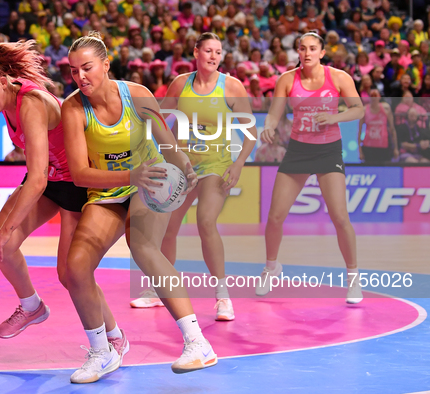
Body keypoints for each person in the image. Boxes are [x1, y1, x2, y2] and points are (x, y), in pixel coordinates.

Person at [62, 31, 217, 384]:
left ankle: (198, 343)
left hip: (149, 182)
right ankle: (104, 351)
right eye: (73, 71)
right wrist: (130, 173)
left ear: (105, 64)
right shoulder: (73, 108)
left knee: (143, 247)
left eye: (87, 68)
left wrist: (186, 170)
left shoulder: (138, 95)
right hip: (107, 188)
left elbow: (167, 142)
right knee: (76, 267)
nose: (80, 77)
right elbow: (80, 174)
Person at [0, 40, 102, 341]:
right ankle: (32, 306)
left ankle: (113, 336)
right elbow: (37, 174)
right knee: (0, 245)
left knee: (70, 275)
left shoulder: (31, 103)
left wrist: (8, 226)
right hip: (48, 180)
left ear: (3, 81)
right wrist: (5, 232)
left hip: (74, 184)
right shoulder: (6, 100)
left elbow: (37, 179)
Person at [130, 33, 257, 321]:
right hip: (181, 168)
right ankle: (160, 291)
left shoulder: (231, 87)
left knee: (206, 221)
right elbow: (159, 119)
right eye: (208, 51)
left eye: (218, 52)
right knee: (167, 227)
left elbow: (250, 133)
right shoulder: (180, 84)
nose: (213, 56)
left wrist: (237, 165)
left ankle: (223, 297)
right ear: (196, 52)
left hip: (216, 166)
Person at [259, 32, 365, 304]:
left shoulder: (339, 77)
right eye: (303, 48)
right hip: (298, 150)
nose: (307, 53)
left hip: (329, 150)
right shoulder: (287, 79)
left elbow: (358, 109)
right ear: (298, 51)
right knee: (274, 217)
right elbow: (274, 113)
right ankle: (271, 268)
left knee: (340, 217)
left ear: (321, 52)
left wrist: (333, 117)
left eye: (313, 49)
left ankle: (354, 279)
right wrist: (269, 127)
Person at [358, 89, 398, 163]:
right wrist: (360, 151)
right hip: (368, 146)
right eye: (371, 96)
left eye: (375, 95)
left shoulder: (386, 108)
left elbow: (392, 129)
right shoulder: (364, 110)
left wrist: (395, 148)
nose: (373, 98)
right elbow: (359, 131)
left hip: (383, 145)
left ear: (379, 97)